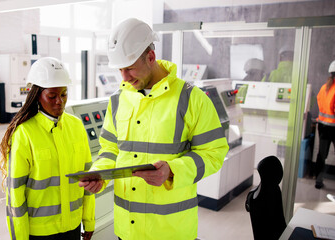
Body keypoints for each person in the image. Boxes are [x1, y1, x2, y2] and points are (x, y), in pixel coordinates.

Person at [79, 18, 229, 240]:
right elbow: (110, 149)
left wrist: (171, 171)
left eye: (129, 68)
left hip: (170, 231)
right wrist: (100, 174)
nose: (124, 77)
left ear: (151, 57)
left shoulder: (191, 99)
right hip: (127, 230)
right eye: (120, 69)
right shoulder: (118, 100)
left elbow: (214, 153)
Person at [0, 57, 95, 240]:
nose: (59, 101)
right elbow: (15, 195)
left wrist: (88, 220)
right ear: (36, 95)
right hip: (40, 233)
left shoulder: (76, 126)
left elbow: (87, 178)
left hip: (73, 226)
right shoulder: (24, 133)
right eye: (52, 96)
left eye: (64, 94)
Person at [314, 60, 335, 189]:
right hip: (334, 127)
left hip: (322, 126)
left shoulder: (324, 87)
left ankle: (318, 181)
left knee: (322, 155)